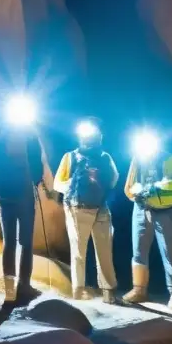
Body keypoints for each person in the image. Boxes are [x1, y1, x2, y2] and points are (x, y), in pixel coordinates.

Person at [53, 118, 119, 303]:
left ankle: (81, 290)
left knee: (81, 252)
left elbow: (58, 184)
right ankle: (106, 292)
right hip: (90, 207)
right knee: (100, 251)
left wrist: (75, 186)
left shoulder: (72, 157)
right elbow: (114, 180)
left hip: (81, 208)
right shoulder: (103, 157)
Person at [123, 130, 172, 310]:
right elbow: (129, 185)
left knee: (169, 254)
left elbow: (170, 183)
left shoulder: (169, 159)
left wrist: (147, 189)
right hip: (141, 209)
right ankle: (139, 289)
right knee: (138, 252)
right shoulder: (138, 159)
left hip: (165, 212)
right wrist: (138, 194)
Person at [0, 113, 44, 306]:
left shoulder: (1, 138)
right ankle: (24, 286)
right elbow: (37, 171)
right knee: (26, 242)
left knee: (9, 242)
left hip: (4, 197)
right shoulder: (30, 139)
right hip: (24, 196)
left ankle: (10, 292)